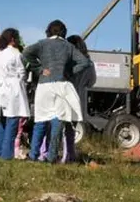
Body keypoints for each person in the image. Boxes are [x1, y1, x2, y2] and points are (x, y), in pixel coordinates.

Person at [22, 20, 91, 163]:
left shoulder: (42, 44)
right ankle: (52, 156)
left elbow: (26, 53)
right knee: (57, 121)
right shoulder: (68, 46)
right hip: (61, 84)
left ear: (48, 31)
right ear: (64, 32)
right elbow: (84, 62)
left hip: (44, 85)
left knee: (40, 121)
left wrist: (39, 69)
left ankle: (33, 155)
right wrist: (69, 72)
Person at [0, 28, 31, 161]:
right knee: (12, 121)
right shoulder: (15, 53)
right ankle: (6, 154)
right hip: (13, 88)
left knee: (2, 121)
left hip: (0, 88)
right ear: (13, 39)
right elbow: (22, 72)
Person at [64, 35, 98, 163]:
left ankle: (62, 154)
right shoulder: (89, 63)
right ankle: (70, 153)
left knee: (60, 127)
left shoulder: (68, 62)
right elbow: (92, 81)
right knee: (71, 129)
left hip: (66, 95)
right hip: (80, 98)